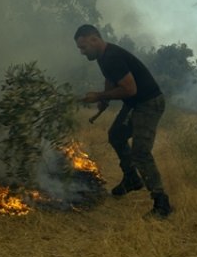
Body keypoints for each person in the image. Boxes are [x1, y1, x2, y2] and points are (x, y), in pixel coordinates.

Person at [73, 24, 172, 219]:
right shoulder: (102, 57)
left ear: (94, 39)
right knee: (116, 135)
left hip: (148, 103)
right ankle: (131, 178)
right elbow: (111, 80)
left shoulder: (112, 57)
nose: (82, 52)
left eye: (83, 47)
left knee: (141, 152)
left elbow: (130, 89)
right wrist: (104, 99)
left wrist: (98, 95)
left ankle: (162, 203)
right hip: (135, 104)